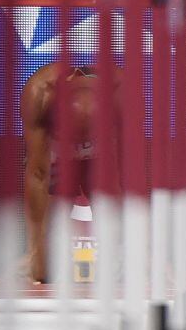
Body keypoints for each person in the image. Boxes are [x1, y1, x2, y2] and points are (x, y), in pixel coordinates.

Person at [20, 63, 118, 283]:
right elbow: (38, 174)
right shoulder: (39, 94)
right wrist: (37, 247)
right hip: (57, 152)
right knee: (42, 273)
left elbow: (129, 173)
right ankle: (34, 254)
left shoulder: (122, 94)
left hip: (102, 152)